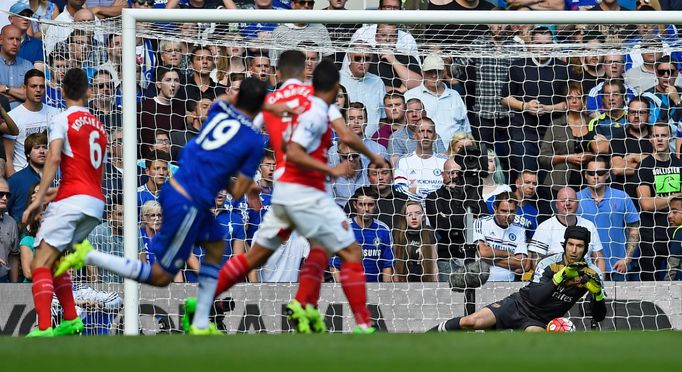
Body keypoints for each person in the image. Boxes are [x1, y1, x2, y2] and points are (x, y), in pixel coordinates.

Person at [55, 77, 271, 336]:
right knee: (160, 276)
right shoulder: (254, 142)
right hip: (187, 201)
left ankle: (201, 318)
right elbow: (236, 192)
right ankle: (89, 255)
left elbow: (223, 103)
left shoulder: (221, 109)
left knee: (215, 245)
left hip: (183, 191)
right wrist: (251, 188)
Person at [206, 59, 389, 335]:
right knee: (347, 250)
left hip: (282, 186)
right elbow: (341, 137)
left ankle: (204, 300)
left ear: (278, 74)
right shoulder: (315, 102)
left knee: (274, 253)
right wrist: (355, 161)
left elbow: (245, 135)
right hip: (306, 185)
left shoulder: (272, 101)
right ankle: (360, 323)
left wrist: (245, 180)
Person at [22, 67, 108, 337]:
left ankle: (45, 328)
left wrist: (39, 200)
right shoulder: (99, 126)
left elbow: (54, 158)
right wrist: (55, 194)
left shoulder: (62, 119)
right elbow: (94, 173)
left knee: (40, 263)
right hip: (95, 203)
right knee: (56, 261)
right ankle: (71, 319)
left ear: (61, 91)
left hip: (73, 201)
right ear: (88, 92)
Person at [429, 226, 606, 332]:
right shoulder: (549, 263)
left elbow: (599, 316)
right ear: (564, 244)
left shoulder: (592, 272)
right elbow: (536, 297)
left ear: (585, 249)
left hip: (540, 320)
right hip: (517, 305)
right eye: (571, 244)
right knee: (470, 321)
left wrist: (597, 295)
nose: (574, 250)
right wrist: (561, 276)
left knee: (533, 340)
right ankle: (428, 336)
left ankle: (505, 335)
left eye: (579, 246)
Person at [577, 156, 640, 281]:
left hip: (618, 268)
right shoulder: (575, 199)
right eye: (591, 173)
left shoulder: (622, 197)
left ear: (607, 175)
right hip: (585, 268)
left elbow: (634, 230)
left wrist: (627, 259)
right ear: (585, 175)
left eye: (600, 173)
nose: (595, 176)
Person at [635, 123, 682, 280]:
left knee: (675, 284)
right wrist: (675, 196)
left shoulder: (679, 165)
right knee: (649, 285)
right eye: (656, 136)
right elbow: (646, 204)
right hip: (651, 235)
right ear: (650, 139)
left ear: (670, 138)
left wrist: (662, 200)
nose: (660, 139)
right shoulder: (644, 166)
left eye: (663, 135)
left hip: (676, 235)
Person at [529, 187, 606, 272]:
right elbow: (536, 261)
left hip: (583, 281)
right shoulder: (544, 227)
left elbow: (599, 259)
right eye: (563, 201)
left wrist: (599, 280)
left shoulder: (589, 226)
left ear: (577, 203)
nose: (567, 203)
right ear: (556, 205)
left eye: (571, 200)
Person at [404, 53, 470, 147]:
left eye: (438, 71)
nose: (434, 75)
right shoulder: (410, 95)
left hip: (454, 154)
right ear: (422, 73)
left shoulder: (455, 95)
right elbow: (402, 128)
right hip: (423, 153)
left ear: (444, 73)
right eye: (430, 71)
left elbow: (466, 129)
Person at [330, 187, 394, 283]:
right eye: (362, 204)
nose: (366, 209)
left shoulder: (383, 230)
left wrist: (385, 292)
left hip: (377, 290)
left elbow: (387, 266)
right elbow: (334, 266)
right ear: (355, 205)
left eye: (370, 204)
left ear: (376, 205)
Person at [4, 69, 56, 177]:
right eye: (34, 86)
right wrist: (14, 184)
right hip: (23, 177)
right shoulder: (13, 117)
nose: (38, 90)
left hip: (50, 176)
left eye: (41, 87)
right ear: (24, 88)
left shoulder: (55, 113)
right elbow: (8, 157)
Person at [475, 192, 530, 282]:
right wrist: (507, 253)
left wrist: (489, 258)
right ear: (495, 209)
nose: (508, 216)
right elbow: (483, 252)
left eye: (511, 211)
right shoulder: (481, 223)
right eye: (504, 211)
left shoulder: (520, 230)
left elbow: (521, 263)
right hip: (482, 283)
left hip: (509, 284)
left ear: (516, 210)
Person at [394, 117, 448, 201]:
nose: (425, 135)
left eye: (429, 131)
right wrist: (430, 195)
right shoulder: (403, 161)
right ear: (415, 136)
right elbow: (399, 189)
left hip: (439, 209)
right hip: (414, 211)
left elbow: (449, 189)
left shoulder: (445, 161)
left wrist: (416, 190)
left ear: (434, 136)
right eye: (421, 131)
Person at [393, 200, 437, 282]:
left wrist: (435, 287)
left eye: (417, 213)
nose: (414, 217)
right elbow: (396, 267)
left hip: (425, 283)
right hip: (403, 283)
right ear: (404, 217)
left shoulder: (430, 233)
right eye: (409, 214)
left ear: (423, 217)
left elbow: (434, 265)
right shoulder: (397, 234)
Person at [7, 132, 45, 222]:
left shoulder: (56, 178)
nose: (42, 151)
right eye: (37, 147)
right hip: (23, 233)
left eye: (45, 147)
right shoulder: (15, 180)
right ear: (28, 153)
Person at [0, 25, 33, 110]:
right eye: (11, 39)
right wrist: (20, 94)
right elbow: (24, 95)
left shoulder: (27, 65)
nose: (15, 43)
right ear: (1, 40)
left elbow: (31, 94)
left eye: (18, 39)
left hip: (23, 119)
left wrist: (6, 88)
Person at [0, 177, 19, 283]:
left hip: (3, 280)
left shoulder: (11, 222)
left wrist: (14, 287)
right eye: (0, 194)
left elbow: (14, 257)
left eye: (7, 195)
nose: (4, 198)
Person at [666, 196, 682, 280]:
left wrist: (667, 284)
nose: (669, 216)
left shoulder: (679, 231)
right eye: (669, 212)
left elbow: (673, 263)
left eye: (674, 212)